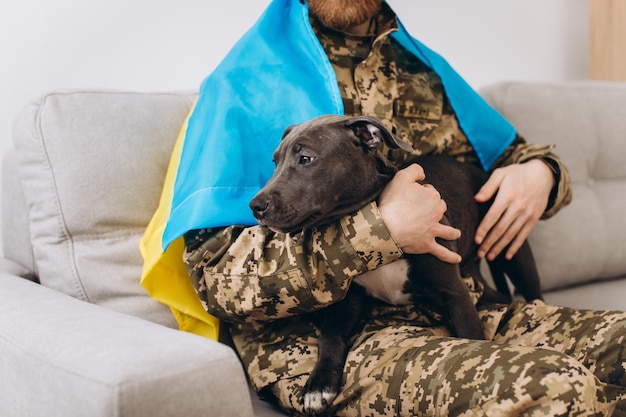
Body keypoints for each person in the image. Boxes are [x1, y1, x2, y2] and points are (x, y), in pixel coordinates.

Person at [141, 0, 626, 415]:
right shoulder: (242, 85)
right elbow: (218, 283)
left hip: (455, 300)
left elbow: (507, 156)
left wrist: (541, 173)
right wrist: (379, 230)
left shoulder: (419, 69)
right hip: (321, 340)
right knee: (552, 389)